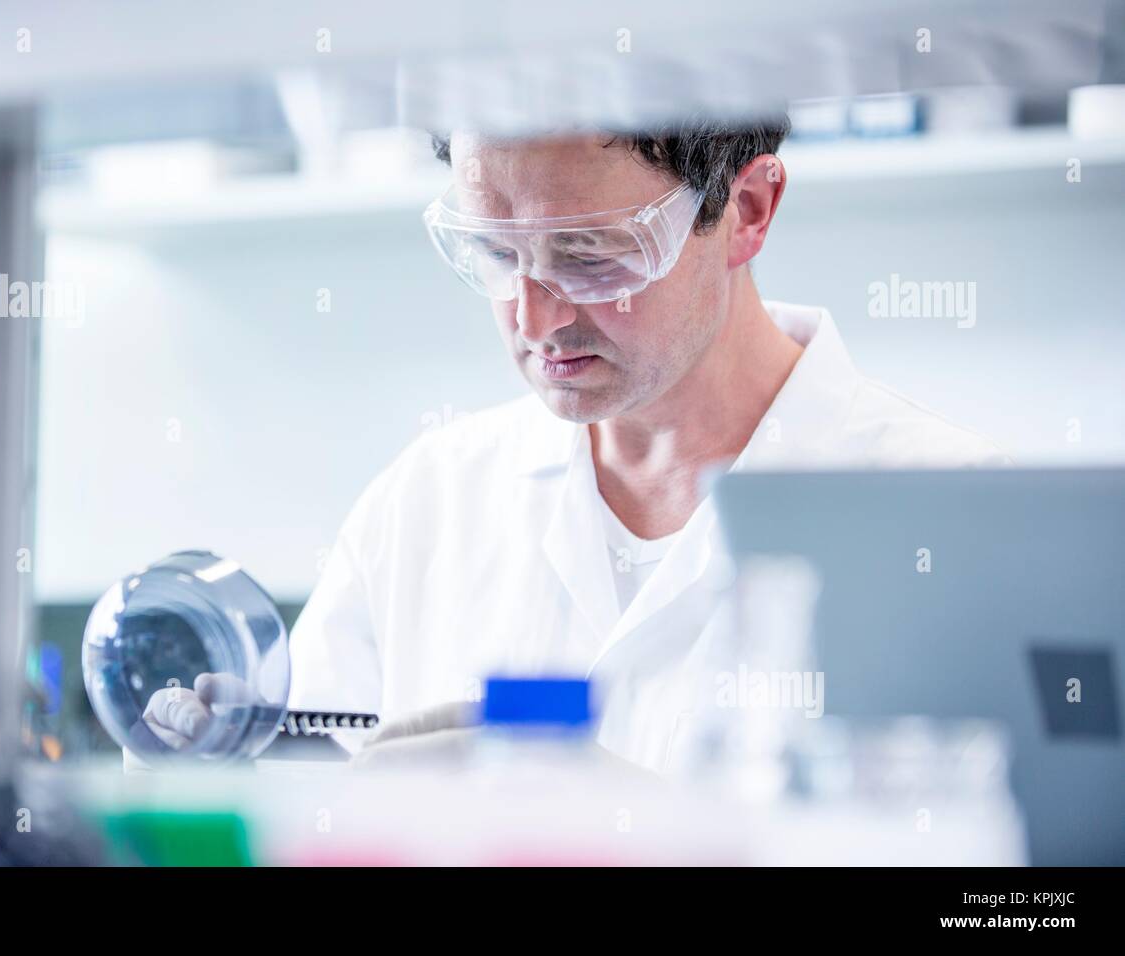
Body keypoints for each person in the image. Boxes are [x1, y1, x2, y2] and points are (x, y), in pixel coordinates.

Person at [145, 118, 1009, 772]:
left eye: (592, 256)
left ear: (747, 209)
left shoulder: (958, 518)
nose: (535, 319)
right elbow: (314, 816)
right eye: (494, 252)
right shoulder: (426, 505)